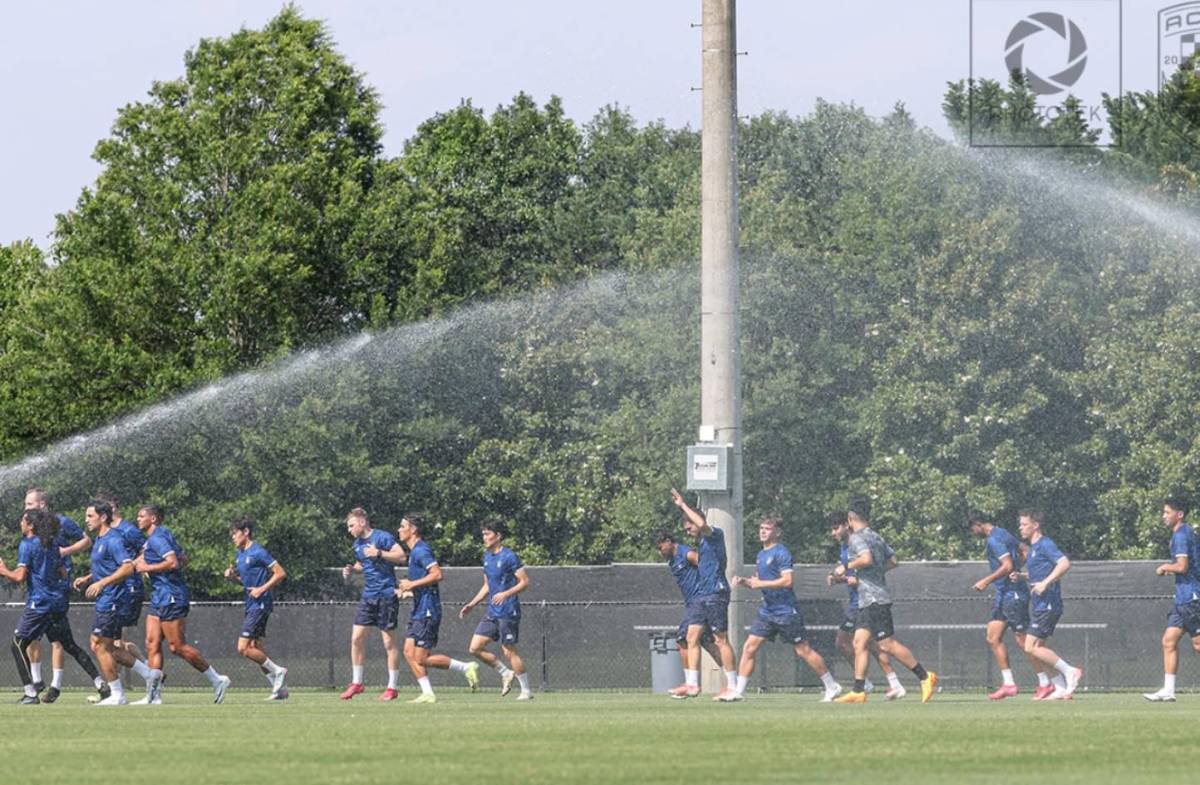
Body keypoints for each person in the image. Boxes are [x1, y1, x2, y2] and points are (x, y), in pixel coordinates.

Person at [726, 515, 842, 702]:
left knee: (803, 651)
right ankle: (739, 692)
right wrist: (745, 582)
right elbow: (760, 583)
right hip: (767, 612)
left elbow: (787, 581)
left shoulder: (781, 553)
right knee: (749, 647)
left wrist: (759, 583)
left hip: (786, 612)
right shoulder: (761, 554)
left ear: (778, 532)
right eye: (761, 528)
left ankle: (831, 685)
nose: (762, 531)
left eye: (767, 528)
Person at [833, 498, 938, 704]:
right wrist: (874, 574)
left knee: (887, 644)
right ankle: (858, 691)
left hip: (874, 599)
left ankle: (925, 676)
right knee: (859, 642)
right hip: (868, 599)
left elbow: (866, 559)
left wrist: (845, 567)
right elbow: (893, 561)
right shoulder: (876, 536)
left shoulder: (856, 539)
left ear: (850, 518)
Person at [0, 509, 103, 704]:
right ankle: (100, 684)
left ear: (31, 525)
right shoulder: (53, 543)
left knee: (16, 644)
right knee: (69, 645)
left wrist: (3, 570)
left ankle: (31, 693)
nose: (20, 523)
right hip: (57, 602)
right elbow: (63, 572)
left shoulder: (27, 544)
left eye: (23, 520)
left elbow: (19, 577)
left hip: (40, 603)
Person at [132, 504, 230, 704]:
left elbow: (174, 562)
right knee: (152, 643)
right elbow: (183, 558)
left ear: (153, 519)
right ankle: (153, 695)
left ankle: (217, 680)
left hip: (171, 596)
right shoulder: (161, 536)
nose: (137, 519)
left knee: (177, 646)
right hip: (160, 596)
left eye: (141, 516)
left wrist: (148, 567)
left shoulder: (158, 538)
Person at [71, 500, 163, 705]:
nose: (86, 520)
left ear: (103, 517)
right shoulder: (100, 540)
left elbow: (128, 567)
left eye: (90, 516)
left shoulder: (113, 539)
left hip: (113, 599)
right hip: (106, 599)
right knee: (111, 648)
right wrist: (88, 579)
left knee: (97, 644)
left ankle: (117, 694)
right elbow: (106, 567)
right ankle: (149, 675)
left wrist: (102, 583)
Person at [396, 513, 478, 704]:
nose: (399, 530)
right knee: (409, 652)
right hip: (419, 608)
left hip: (428, 610)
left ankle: (465, 667)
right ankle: (428, 693)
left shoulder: (421, 551)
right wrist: (409, 592)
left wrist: (412, 585)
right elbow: (424, 584)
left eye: (402, 526)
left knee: (422, 658)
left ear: (413, 529)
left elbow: (437, 574)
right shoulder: (414, 552)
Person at [24, 487, 95, 703]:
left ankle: (55, 685)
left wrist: (64, 551)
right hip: (36, 587)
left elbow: (86, 541)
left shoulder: (62, 522)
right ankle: (37, 681)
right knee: (30, 637)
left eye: (30, 504)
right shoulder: (30, 526)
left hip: (56, 589)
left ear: (42, 505)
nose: (26, 508)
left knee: (58, 640)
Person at [827, 511, 905, 699]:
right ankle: (873, 684)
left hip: (863, 601)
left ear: (848, 524)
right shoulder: (847, 546)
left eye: (836, 527)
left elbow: (857, 576)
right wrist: (839, 579)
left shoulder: (857, 542)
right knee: (870, 644)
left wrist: (843, 574)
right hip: (860, 600)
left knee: (869, 643)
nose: (833, 532)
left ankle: (867, 684)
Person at [670, 488, 738, 700]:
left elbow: (700, 524)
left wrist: (682, 504)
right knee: (690, 637)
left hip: (716, 593)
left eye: (688, 524)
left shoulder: (714, 534)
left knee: (720, 640)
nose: (687, 528)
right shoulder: (701, 542)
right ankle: (692, 685)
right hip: (703, 596)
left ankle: (734, 687)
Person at [968, 512, 1043, 699]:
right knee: (993, 637)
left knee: (1025, 641)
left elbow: (1007, 565)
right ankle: (1009, 684)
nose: (972, 533)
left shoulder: (994, 540)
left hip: (1014, 594)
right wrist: (1018, 566)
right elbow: (1024, 550)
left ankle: (1048, 681)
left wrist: (986, 580)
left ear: (977, 524)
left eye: (972, 529)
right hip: (1003, 595)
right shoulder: (1003, 533)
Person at [340, 507, 407, 700]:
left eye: (351, 525)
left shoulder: (382, 537)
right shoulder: (356, 544)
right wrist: (353, 569)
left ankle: (392, 688)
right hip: (368, 596)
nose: (349, 529)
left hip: (386, 595)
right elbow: (363, 562)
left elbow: (401, 556)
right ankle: (357, 683)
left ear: (362, 522)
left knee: (389, 643)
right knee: (356, 639)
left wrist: (379, 553)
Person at [1017, 508, 1082, 700]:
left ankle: (1070, 672)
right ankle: (1059, 686)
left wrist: (1045, 583)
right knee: (1038, 651)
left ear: (1035, 525)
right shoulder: (1034, 549)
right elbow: (1041, 573)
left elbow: (1064, 563)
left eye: (1024, 524)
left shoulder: (1045, 544)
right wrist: (1023, 576)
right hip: (1039, 604)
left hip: (1048, 604)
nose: (1020, 528)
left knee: (1031, 647)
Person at [223, 516, 289, 700]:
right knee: (256, 648)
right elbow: (247, 583)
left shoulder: (258, 551)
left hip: (260, 604)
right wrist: (233, 578)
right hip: (251, 603)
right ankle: (280, 690)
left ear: (246, 532)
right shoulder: (240, 555)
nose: (233, 538)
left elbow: (280, 573)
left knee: (243, 648)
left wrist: (262, 589)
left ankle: (279, 671)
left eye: (235, 534)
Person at [461, 521, 530, 699]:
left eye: (488, 534)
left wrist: (506, 594)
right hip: (493, 611)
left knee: (509, 651)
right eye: (483, 534)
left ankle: (526, 690)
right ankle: (505, 673)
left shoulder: (509, 556)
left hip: (508, 611)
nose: (484, 537)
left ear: (498, 536)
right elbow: (487, 586)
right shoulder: (486, 557)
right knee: (474, 648)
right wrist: (472, 604)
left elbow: (524, 582)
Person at [654, 531, 723, 698]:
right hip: (694, 603)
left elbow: (707, 566)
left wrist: (709, 591)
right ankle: (735, 679)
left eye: (660, 547)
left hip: (700, 601)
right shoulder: (672, 560)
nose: (660, 551)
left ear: (669, 541)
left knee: (683, 639)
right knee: (708, 644)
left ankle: (690, 684)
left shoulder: (687, 553)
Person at [1144, 497, 1200, 702]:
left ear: (1180, 514)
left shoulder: (1182, 535)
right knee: (1169, 641)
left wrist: (1164, 568)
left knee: (1198, 645)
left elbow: (1182, 566)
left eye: (1167, 512)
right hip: (1182, 599)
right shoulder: (1182, 534)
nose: (1163, 516)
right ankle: (1168, 690)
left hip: (1192, 597)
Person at [97, 492, 147, 671]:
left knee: (110, 643)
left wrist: (133, 565)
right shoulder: (105, 532)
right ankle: (149, 672)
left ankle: (148, 674)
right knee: (114, 642)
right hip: (114, 590)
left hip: (129, 588)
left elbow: (147, 549)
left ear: (111, 508)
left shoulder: (128, 530)